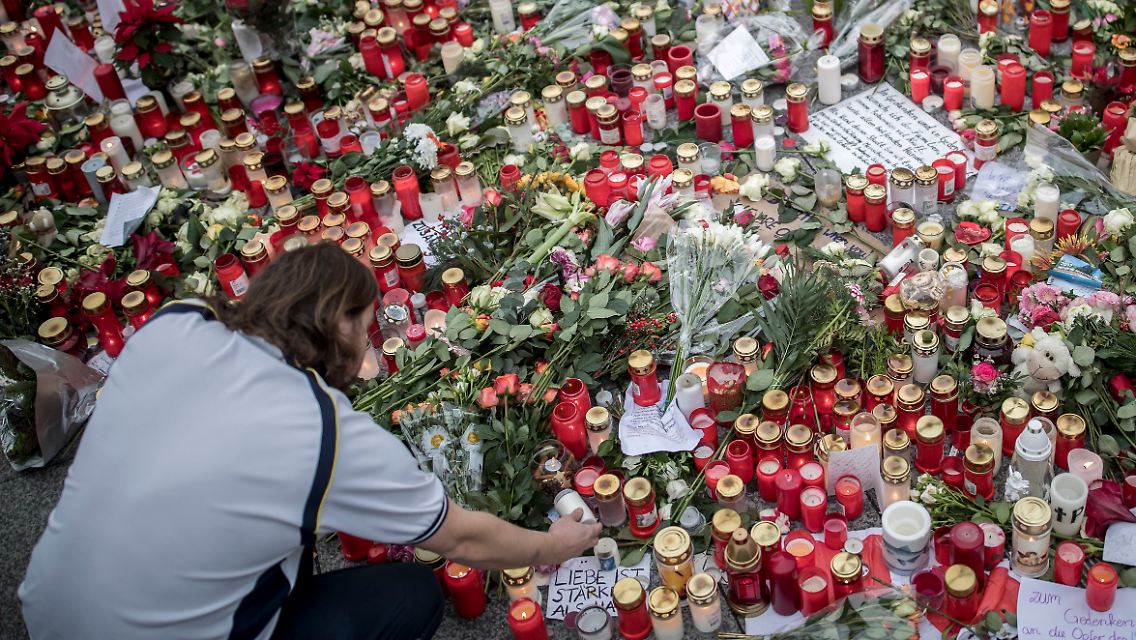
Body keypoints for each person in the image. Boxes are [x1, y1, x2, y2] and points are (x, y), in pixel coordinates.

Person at [20, 243, 601, 640]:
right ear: (339, 322)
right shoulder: (321, 427)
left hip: (48, 606)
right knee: (410, 596)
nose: (368, 343)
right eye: (367, 324)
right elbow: (463, 538)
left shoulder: (172, 326)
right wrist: (553, 545)